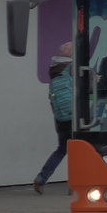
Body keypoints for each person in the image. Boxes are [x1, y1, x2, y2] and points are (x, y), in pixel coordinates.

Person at [33, 43, 73, 194]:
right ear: (69, 53)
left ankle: (41, 177)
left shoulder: (55, 67)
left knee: (62, 149)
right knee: (80, 151)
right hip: (72, 115)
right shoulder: (71, 67)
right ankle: (75, 185)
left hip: (60, 116)